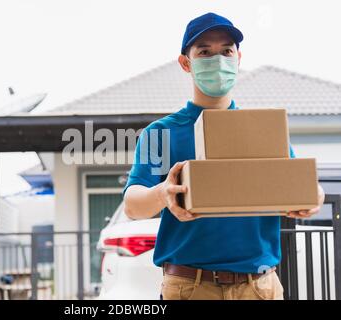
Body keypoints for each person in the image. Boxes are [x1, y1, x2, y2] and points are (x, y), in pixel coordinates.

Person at [122, 12, 325, 300]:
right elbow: (132, 205)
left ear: (238, 58)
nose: (218, 60)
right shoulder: (161, 134)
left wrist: (311, 197)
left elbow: (297, 185)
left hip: (259, 287)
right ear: (186, 63)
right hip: (191, 287)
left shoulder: (262, 128)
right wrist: (163, 193)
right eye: (204, 52)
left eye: (226, 51)